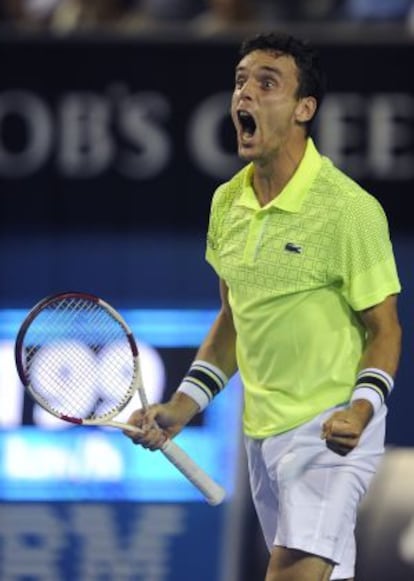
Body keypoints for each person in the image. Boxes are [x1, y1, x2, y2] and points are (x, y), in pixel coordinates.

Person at [124, 31, 402, 581]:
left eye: (266, 83)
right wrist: (182, 407)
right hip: (263, 435)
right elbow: (234, 320)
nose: (245, 95)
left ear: (305, 109)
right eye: (240, 82)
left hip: (330, 432)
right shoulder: (226, 202)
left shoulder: (350, 211)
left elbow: (384, 328)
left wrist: (361, 410)